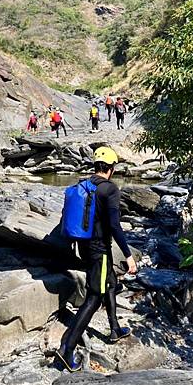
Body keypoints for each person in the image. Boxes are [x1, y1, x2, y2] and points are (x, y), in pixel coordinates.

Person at [56, 146, 137, 372]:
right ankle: (67, 348)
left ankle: (114, 328)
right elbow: (114, 225)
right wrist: (129, 256)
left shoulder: (85, 185)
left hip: (85, 246)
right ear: (111, 169)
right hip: (99, 249)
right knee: (94, 296)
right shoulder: (109, 189)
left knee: (109, 282)